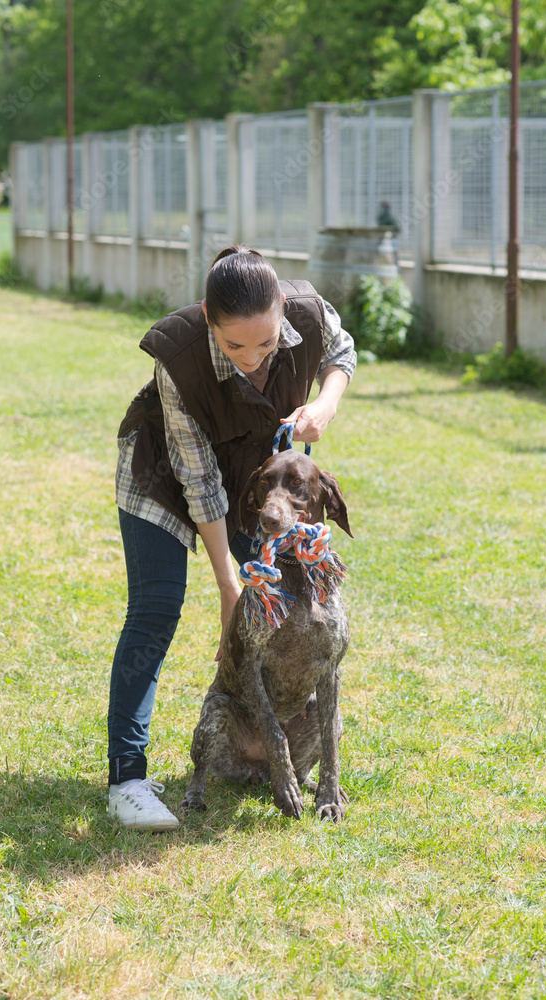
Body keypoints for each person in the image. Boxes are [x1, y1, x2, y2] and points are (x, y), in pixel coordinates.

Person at [108, 246, 357, 830]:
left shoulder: (308, 312)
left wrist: (325, 402)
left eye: (267, 345)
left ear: (282, 315)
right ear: (206, 317)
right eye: (234, 346)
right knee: (155, 608)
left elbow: (341, 351)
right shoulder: (179, 356)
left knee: (287, 606)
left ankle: (285, 750)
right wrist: (229, 585)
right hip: (166, 475)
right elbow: (199, 485)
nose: (252, 359)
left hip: (255, 481)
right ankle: (126, 779)